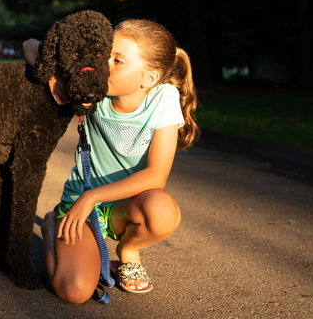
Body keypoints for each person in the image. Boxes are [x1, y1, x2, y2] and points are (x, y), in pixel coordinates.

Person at [23, 18, 199, 304]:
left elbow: (156, 177)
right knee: (75, 290)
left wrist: (92, 197)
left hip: (122, 205)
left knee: (162, 209)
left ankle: (128, 251)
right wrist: (54, 79)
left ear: (149, 78)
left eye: (117, 60)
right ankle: (52, 223)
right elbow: (30, 46)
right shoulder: (91, 86)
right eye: (106, 54)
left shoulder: (164, 98)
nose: (104, 64)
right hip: (81, 204)